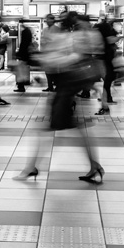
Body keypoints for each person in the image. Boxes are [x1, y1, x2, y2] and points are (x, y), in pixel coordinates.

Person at [15, 11, 105, 183]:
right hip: (67, 86)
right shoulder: (78, 35)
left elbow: (72, 58)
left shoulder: (77, 36)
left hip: (67, 86)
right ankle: (95, 166)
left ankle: (30, 168)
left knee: (45, 128)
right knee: (72, 128)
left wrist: (49, 60)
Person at [41, 14, 60, 92]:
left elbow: (56, 41)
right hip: (46, 53)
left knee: (55, 72)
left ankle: (57, 86)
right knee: (47, 72)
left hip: (55, 54)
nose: (47, 21)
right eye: (47, 19)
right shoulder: (45, 30)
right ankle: (50, 86)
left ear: (53, 20)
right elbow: (42, 40)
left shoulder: (57, 29)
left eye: (49, 19)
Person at [15, 19, 32, 92]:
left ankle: (21, 86)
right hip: (26, 54)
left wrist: (19, 53)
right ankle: (21, 85)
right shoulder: (28, 31)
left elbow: (23, 44)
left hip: (24, 55)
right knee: (23, 70)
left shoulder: (25, 32)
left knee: (20, 71)